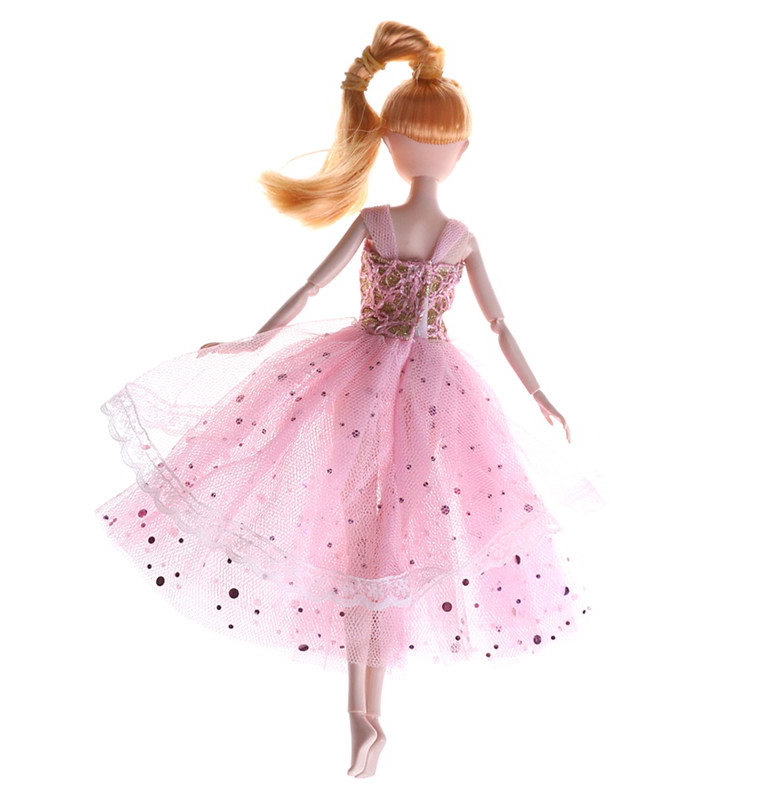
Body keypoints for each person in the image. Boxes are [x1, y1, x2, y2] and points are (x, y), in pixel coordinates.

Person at [96, 21, 592, 779]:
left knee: (378, 542)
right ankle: (365, 718)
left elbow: (341, 295)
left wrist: (540, 391)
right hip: (411, 386)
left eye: (437, 143)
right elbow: (483, 323)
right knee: (373, 540)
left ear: (436, 149)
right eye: (428, 142)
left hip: (386, 385)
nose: (432, 152)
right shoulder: (434, 231)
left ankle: (364, 718)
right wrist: (252, 341)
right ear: (432, 148)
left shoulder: (414, 228)